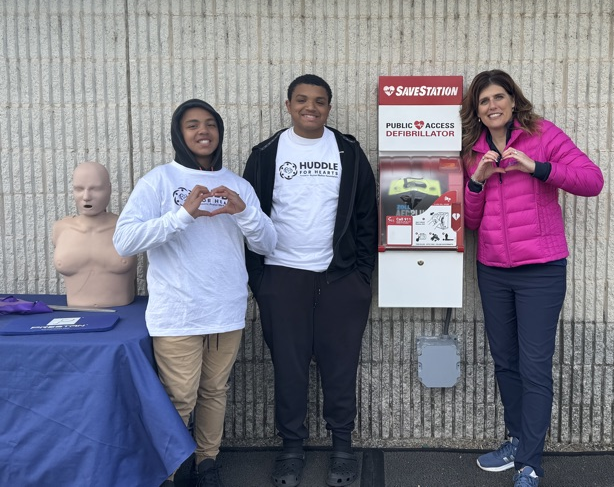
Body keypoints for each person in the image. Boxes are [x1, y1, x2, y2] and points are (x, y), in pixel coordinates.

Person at [113, 99, 277, 487]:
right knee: (179, 399)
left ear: (219, 132)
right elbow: (124, 241)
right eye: (192, 125)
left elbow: (268, 243)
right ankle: (169, 470)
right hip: (178, 314)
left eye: (210, 124)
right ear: (179, 134)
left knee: (214, 392)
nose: (203, 131)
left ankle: (207, 462)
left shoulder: (237, 185)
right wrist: (182, 215)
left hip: (226, 310)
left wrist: (244, 213)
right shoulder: (159, 180)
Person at [460, 70, 604, 487]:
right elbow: (471, 221)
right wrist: (477, 182)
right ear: (477, 110)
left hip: (541, 269)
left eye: (498, 97)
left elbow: (592, 181)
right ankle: (518, 440)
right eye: (483, 101)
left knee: (535, 365)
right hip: (493, 270)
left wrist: (537, 167)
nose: (492, 106)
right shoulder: (474, 150)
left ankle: (530, 463)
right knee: (505, 362)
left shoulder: (542, 134)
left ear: (512, 99)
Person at [243, 74, 377, 487]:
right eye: (302, 100)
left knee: (340, 366)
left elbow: (366, 218)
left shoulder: (349, 151)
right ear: (288, 105)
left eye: (319, 101)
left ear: (329, 108)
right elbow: (251, 219)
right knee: (289, 367)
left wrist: (361, 277)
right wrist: (260, 280)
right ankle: (292, 447)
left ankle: (342, 445)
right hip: (282, 278)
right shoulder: (266, 154)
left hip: (339, 279)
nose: (310, 107)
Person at [52, 161, 137, 307]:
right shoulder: (60, 229)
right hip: (73, 312)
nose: (86, 196)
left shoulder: (128, 228)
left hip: (123, 311)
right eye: (79, 189)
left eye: (95, 189)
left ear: (109, 189)